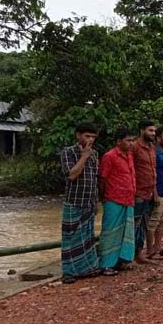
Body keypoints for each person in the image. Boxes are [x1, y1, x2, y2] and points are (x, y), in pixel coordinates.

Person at [59, 122, 101, 284]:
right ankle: (69, 271)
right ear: (78, 136)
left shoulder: (95, 154)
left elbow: (95, 178)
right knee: (70, 237)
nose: (90, 140)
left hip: (89, 201)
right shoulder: (68, 152)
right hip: (74, 201)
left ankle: (87, 268)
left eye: (93, 137)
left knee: (87, 237)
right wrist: (84, 156)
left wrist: (96, 200)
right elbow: (71, 175)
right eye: (87, 136)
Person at [97, 128, 137, 273]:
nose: (131, 143)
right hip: (113, 199)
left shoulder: (130, 155)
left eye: (133, 140)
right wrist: (103, 198)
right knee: (110, 232)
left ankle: (123, 260)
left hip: (128, 199)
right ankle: (106, 264)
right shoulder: (110, 156)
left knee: (126, 231)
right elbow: (102, 179)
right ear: (119, 142)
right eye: (128, 140)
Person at [131, 119, 157, 264]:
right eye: (150, 130)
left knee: (142, 225)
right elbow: (130, 169)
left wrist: (155, 192)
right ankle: (130, 256)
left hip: (149, 193)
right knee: (134, 225)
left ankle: (139, 254)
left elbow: (152, 171)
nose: (153, 133)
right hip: (138, 193)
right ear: (142, 130)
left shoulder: (152, 147)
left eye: (154, 131)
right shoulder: (134, 147)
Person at [146, 126, 163, 258]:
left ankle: (158, 247)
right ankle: (150, 250)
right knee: (153, 223)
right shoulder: (154, 154)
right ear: (158, 138)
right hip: (160, 194)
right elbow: (152, 175)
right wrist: (155, 193)